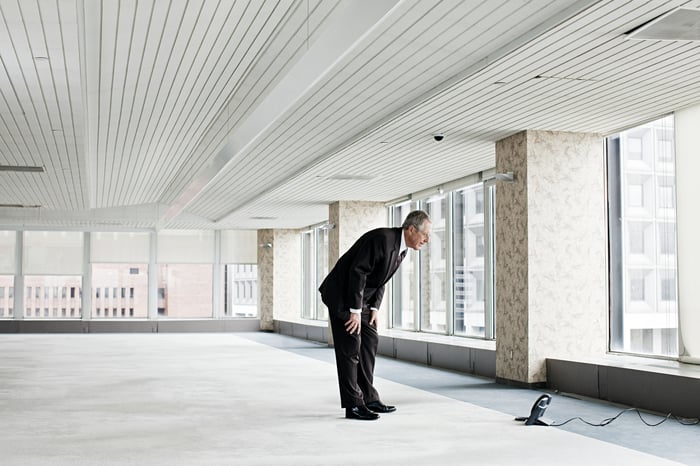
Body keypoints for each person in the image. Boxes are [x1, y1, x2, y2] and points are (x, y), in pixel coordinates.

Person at [319, 210, 431, 420]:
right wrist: (354, 311)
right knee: (350, 347)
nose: (427, 240)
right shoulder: (382, 239)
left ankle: (369, 397)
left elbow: (380, 279)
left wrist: (374, 308)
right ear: (411, 229)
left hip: (361, 300)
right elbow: (358, 271)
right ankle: (353, 405)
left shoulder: (401, 249)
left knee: (369, 340)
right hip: (342, 297)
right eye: (425, 234)